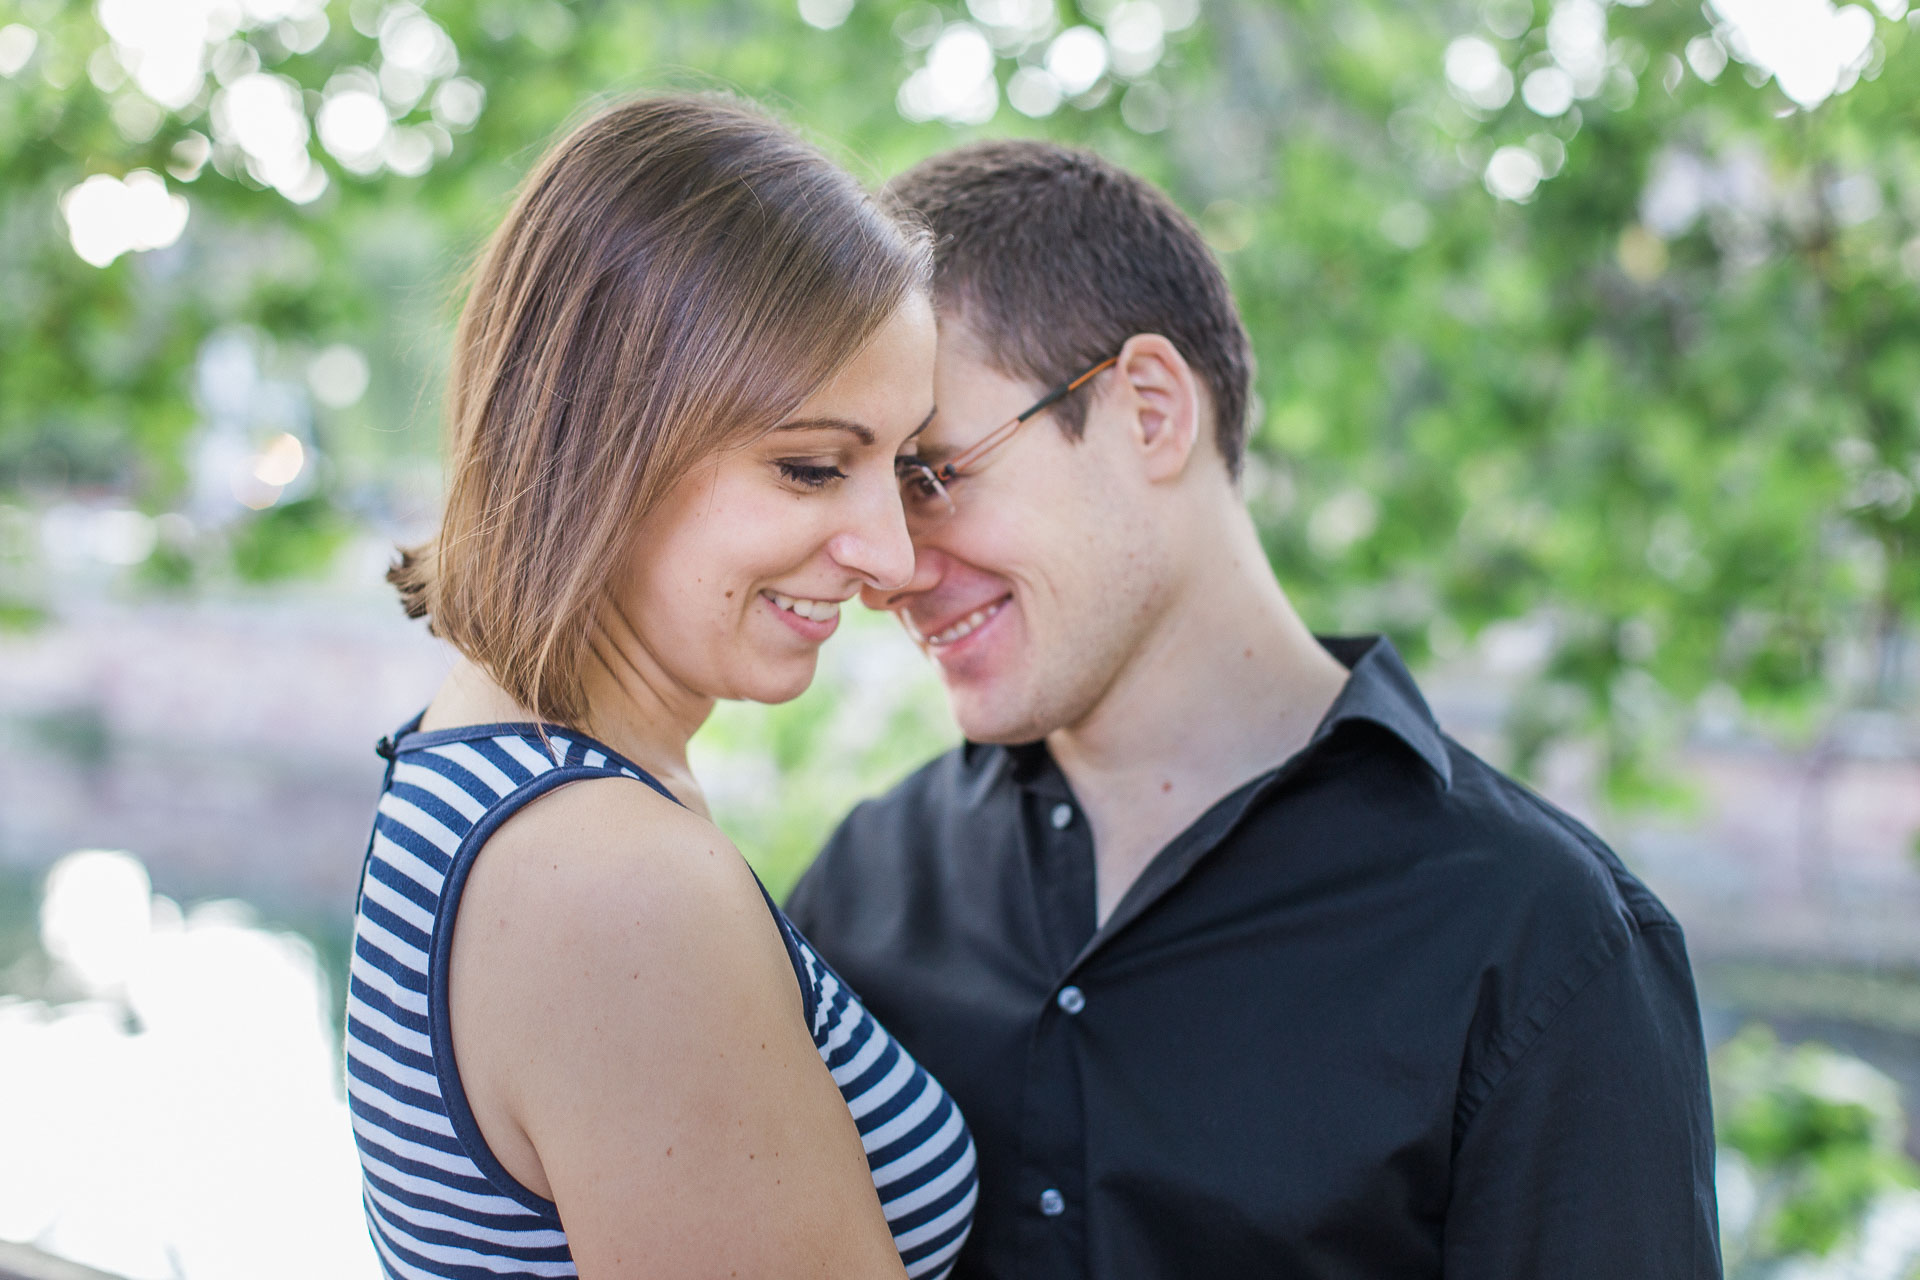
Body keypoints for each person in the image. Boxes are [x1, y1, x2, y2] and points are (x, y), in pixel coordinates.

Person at [785, 140, 1721, 1278]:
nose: (886, 564)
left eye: (931, 475)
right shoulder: (866, 885)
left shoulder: (1545, 941)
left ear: (1148, 409)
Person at [343, 95, 976, 1280]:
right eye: (810, 467)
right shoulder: (613, 880)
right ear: (602, 439)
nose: (893, 554)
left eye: (905, 465)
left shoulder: (479, 759)